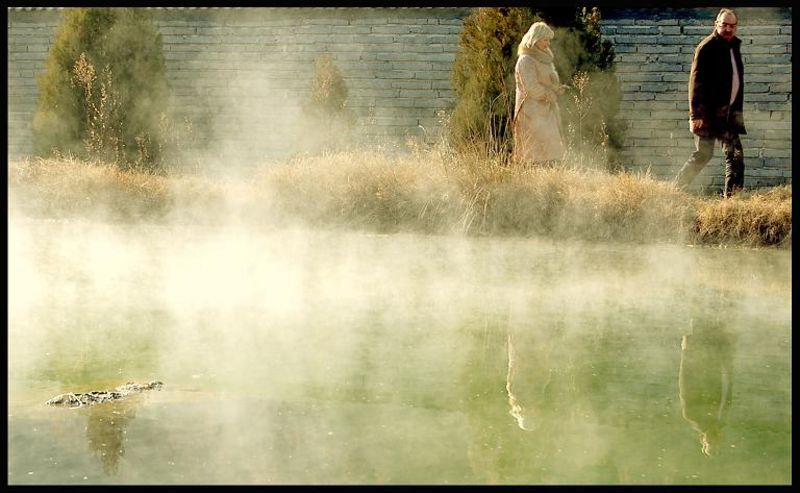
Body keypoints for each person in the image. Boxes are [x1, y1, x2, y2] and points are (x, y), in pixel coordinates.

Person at [675, 8, 746, 197]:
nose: (728, 29)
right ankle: (674, 191)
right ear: (716, 24)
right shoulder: (706, 47)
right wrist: (695, 115)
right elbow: (695, 83)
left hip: (728, 115)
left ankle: (732, 201)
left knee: (735, 155)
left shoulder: (734, 46)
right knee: (703, 155)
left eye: (732, 26)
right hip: (707, 115)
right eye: (724, 25)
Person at [513, 21, 568, 167]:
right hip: (530, 113)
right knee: (534, 155)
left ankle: (550, 179)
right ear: (535, 39)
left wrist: (557, 89)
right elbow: (531, 87)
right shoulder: (525, 60)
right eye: (545, 40)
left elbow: (549, 81)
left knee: (552, 152)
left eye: (549, 40)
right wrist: (550, 94)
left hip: (546, 111)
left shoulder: (545, 59)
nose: (548, 43)